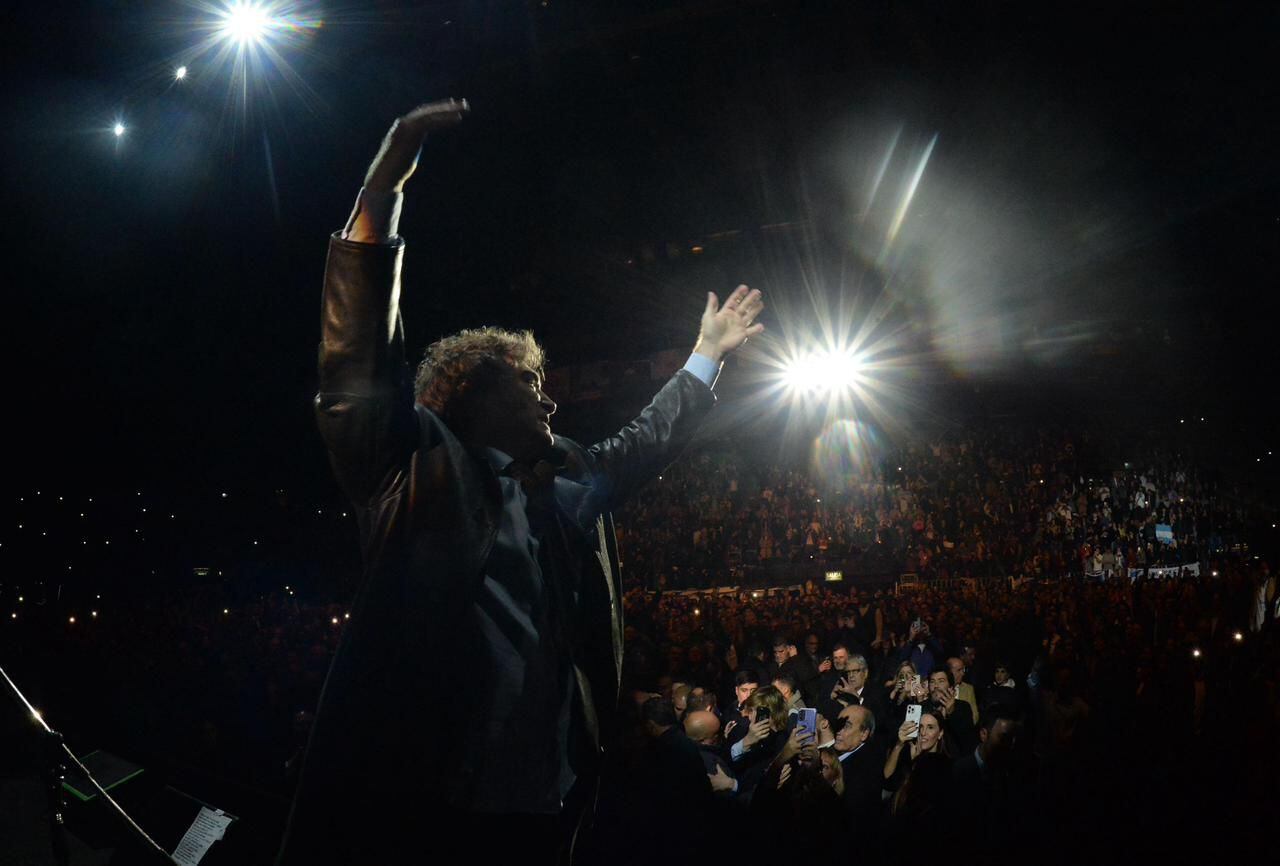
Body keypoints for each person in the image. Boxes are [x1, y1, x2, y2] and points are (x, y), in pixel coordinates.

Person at [279, 99, 765, 866]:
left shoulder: (566, 475)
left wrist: (707, 354)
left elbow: (643, 445)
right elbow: (359, 352)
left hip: (550, 802)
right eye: (530, 381)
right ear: (469, 394)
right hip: (431, 809)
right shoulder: (409, 468)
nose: (549, 397)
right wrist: (384, 183)